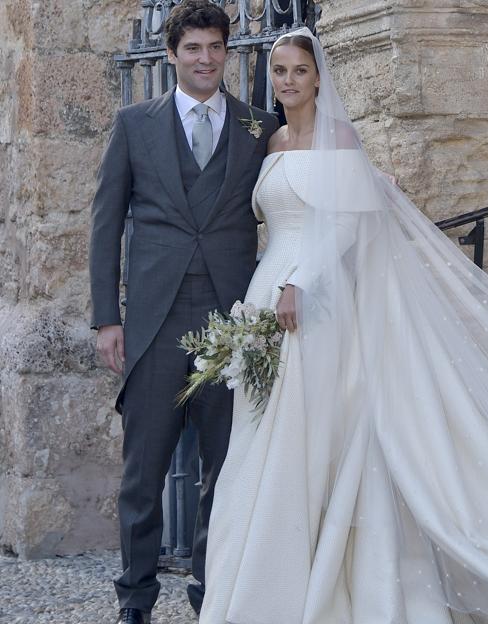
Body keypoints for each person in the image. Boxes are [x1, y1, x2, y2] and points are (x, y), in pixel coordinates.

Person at [199, 27, 488, 624]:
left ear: (319, 77)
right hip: (263, 300)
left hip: (310, 300)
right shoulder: (269, 146)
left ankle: (322, 575)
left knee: (310, 435)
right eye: (279, 71)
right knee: (261, 439)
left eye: (298, 70)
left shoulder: (339, 137)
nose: (288, 81)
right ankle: (261, 582)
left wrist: (303, 281)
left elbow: (345, 225)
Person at [89, 1, 279, 622]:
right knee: (143, 475)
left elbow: (301, 179)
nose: (205, 60)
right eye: (193, 49)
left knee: (222, 473)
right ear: (172, 54)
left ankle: (210, 594)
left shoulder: (256, 127)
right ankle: (135, 600)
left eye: (215, 48)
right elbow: (105, 223)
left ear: (228, 53)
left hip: (232, 320)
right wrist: (106, 318)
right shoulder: (135, 124)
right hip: (153, 324)